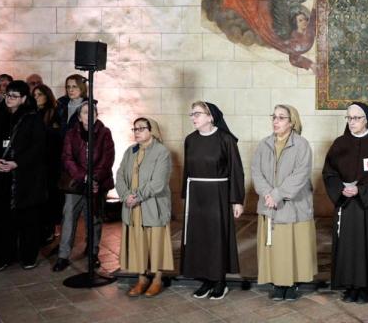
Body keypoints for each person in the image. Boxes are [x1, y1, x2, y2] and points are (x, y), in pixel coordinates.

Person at [323, 102, 368, 304]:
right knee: (347, 247)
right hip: (346, 204)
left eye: (356, 118)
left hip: (367, 206)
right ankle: (350, 286)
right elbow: (328, 173)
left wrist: (361, 190)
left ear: (367, 120)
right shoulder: (340, 143)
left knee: (367, 246)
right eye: (349, 117)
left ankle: (365, 288)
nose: (352, 122)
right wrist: (341, 188)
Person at [252, 104, 317, 301]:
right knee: (274, 249)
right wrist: (267, 194)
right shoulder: (264, 144)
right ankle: (277, 283)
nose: (276, 121)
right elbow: (256, 172)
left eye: (281, 117)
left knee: (293, 247)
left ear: (292, 122)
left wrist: (278, 195)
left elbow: (301, 174)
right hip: (269, 204)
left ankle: (292, 284)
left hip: (294, 205)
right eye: (274, 117)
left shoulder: (302, 145)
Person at [181, 101, 245, 300]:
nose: (193, 117)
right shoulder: (190, 140)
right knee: (199, 238)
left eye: (197, 114)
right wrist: (185, 196)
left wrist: (237, 200)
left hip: (218, 194)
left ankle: (219, 281)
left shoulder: (226, 139)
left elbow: (236, 170)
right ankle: (206, 280)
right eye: (192, 114)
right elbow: (187, 170)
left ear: (210, 117)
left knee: (216, 237)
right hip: (196, 195)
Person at [0, 81, 46, 271]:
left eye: (14, 96)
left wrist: (17, 162)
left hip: (25, 178)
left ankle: (28, 256)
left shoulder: (32, 118)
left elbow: (38, 147)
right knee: (2, 219)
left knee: (27, 219)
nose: (9, 98)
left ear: (24, 98)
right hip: (0, 177)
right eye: (8, 94)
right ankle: (4, 255)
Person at [53, 102, 115, 272]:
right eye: (85, 112)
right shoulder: (71, 133)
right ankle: (63, 256)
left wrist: (94, 178)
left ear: (97, 115)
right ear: (79, 117)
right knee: (69, 217)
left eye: (92, 112)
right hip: (76, 183)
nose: (89, 115)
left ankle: (93, 252)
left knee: (94, 218)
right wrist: (84, 176)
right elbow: (67, 158)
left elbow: (108, 158)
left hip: (97, 183)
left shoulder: (105, 132)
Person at [116, 117, 174, 298]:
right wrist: (125, 195)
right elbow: (119, 175)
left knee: (156, 243)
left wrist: (137, 197)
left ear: (152, 130)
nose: (137, 132)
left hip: (152, 206)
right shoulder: (130, 151)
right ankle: (142, 279)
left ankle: (157, 279)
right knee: (137, 242)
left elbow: (158, 182)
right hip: (132, 206)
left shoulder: (162, 152)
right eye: (135, 129)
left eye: (141, 128)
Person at [33, 84, 61, 245]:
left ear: (47, 96)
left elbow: (56, 137)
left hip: (49, 162)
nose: (37, 97)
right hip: (36, 163)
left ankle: (49, 229)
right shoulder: (32, 113)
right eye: (34, 95)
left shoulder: (53, 113)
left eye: (40, 94)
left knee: (50, 197)